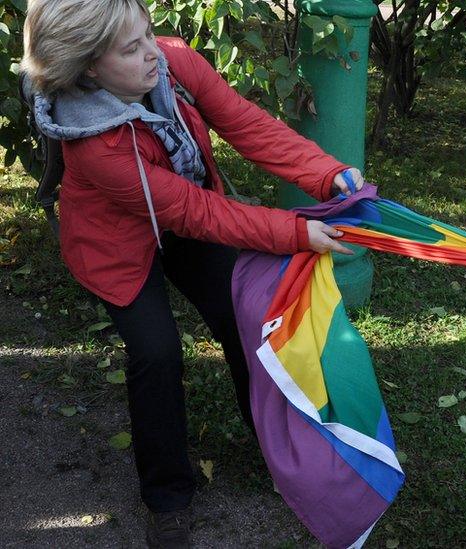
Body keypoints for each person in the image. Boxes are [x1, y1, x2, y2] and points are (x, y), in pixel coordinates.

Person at [22, 0, 367, 546]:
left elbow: (244, 123)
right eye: (130, 49)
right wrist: (297, 232)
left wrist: (325, 173)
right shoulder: (94, 144)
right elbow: (195, 210)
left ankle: (278, 449)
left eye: (147, 36)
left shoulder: (173, 60)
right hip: (117, 244)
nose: (149, 54)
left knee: (247, 320)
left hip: (182, 216)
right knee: (156, 354)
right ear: (89, 66)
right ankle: (168, 499)